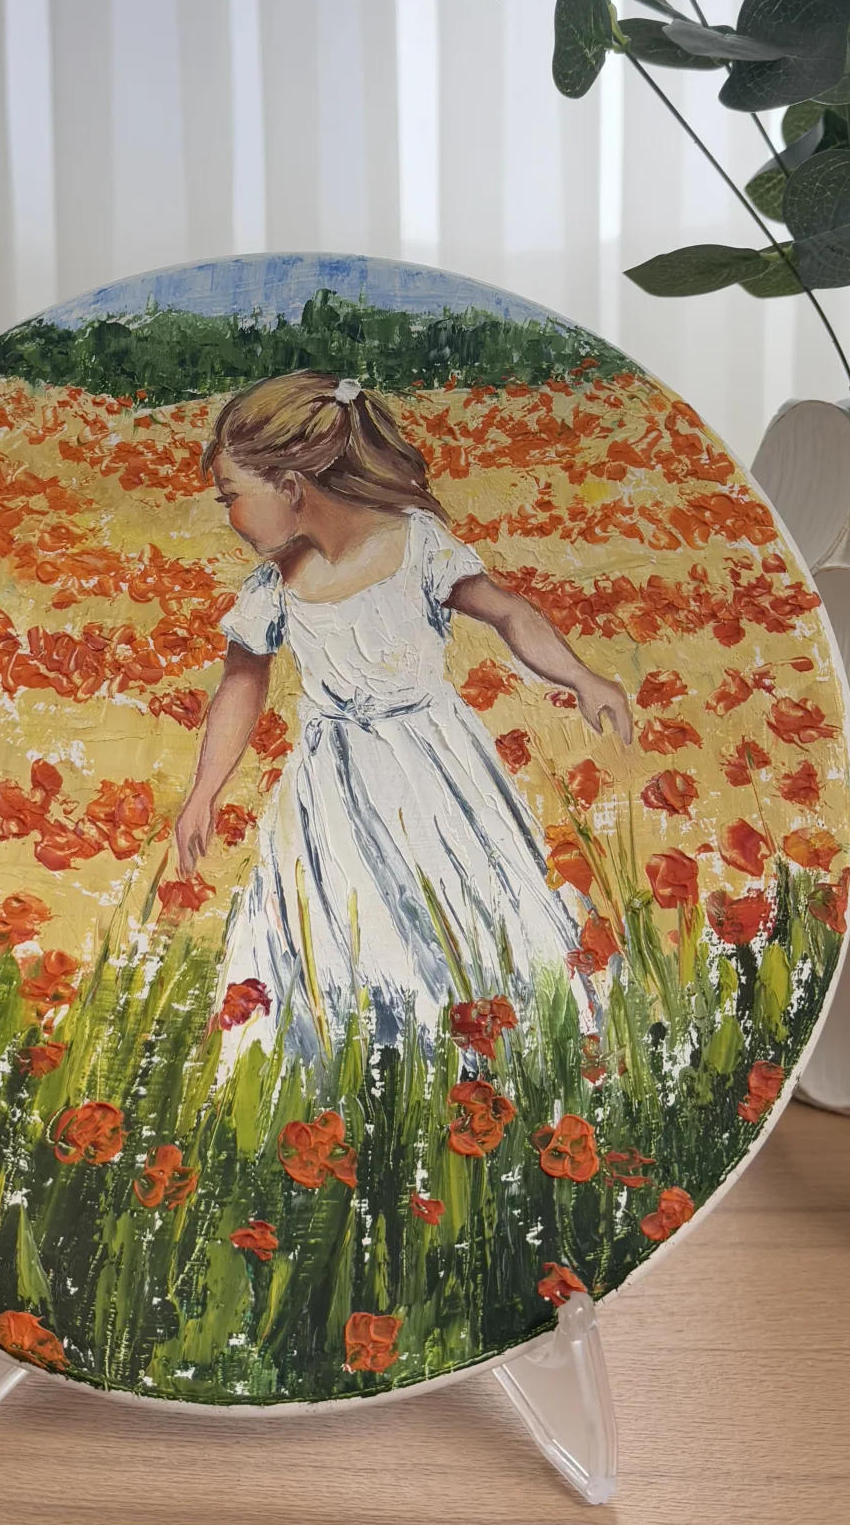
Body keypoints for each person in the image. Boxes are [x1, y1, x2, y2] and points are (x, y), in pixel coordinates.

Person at [176, 370, 633, 1063]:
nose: (229, 516)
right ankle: (367, 1064)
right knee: (342, 916)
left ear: (291, 487)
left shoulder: (417, 544)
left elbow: (509, 612)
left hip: (437, 769)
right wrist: (203, 792)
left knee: (465, 901)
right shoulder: (274, 586)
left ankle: (497, 1053)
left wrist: (583, 677)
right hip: (332, 783)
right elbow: (242, 683)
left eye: (232, 496)